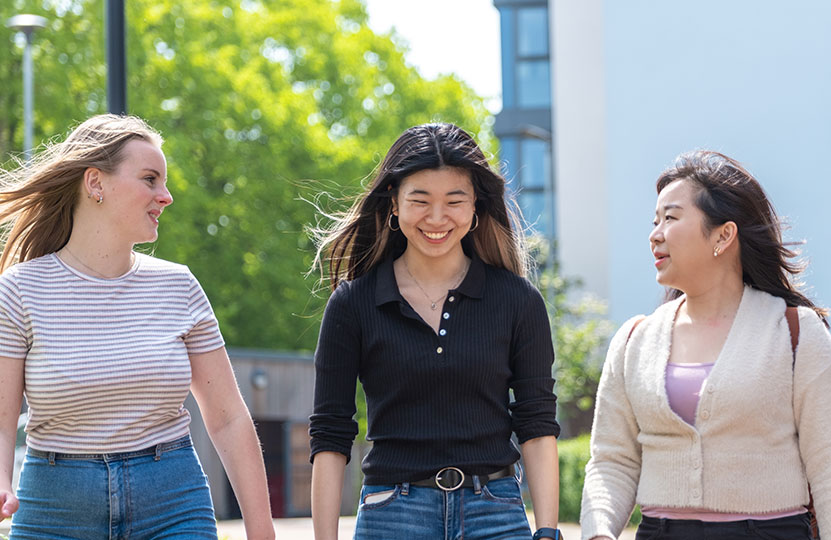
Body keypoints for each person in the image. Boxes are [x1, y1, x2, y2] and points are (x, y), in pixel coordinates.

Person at [0, 114, 275, 539]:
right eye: (150, 179)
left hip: (173, 505)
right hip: (55, 510)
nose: (165, 196)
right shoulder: (20, 289)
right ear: (96, 183)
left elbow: (229, 419)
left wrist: (262, 530)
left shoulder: (179, 286)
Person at [580, 151, 831, 540]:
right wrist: (598, 532)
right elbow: (612, 460)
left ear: (723, 235)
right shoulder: (634, 340)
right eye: (655, 220)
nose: (655, 234)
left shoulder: (796, 332)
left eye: (671, 218)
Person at [309, 123, 562, 540]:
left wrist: (548, 531)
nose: (437, 218)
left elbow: (536, 422)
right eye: (420, 200)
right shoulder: (353, 304)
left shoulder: (518, 300)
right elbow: (330, 432)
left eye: (454, 201)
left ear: (476, 205)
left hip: (496, 514)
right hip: (391, 516)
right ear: (394, 202)